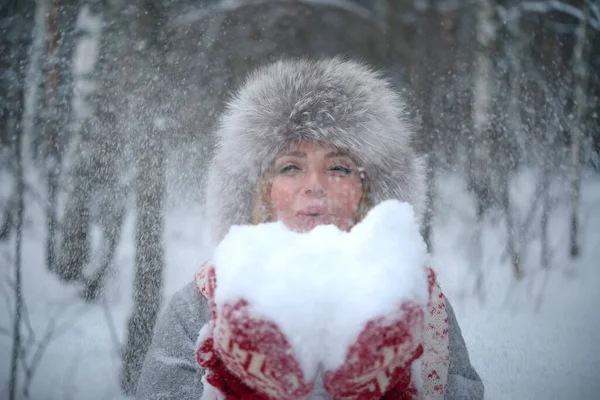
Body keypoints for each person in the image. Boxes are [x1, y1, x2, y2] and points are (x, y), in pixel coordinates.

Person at [136, 58, 484, 399]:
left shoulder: (418, 300)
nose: (314, 185)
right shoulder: (201, 304)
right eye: (290, 167)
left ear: (369, 194)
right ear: (261, 191)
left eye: (339, 168)